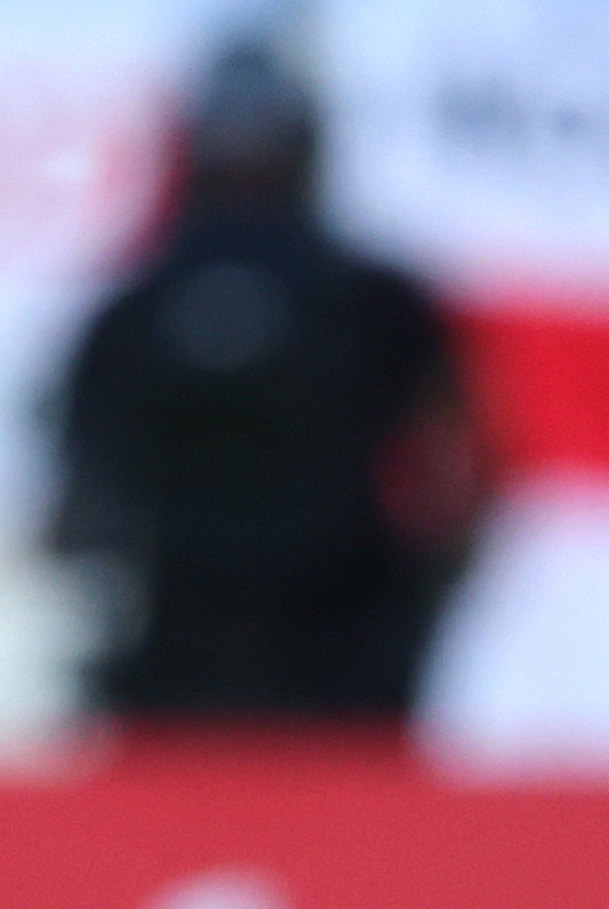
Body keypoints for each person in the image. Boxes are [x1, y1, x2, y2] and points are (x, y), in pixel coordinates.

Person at [48, 39, 485, 728]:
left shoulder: (130, 310)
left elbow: (69, 517)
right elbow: (460, 483)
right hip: (314, 663)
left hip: (233, 659)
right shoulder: (375, 299)